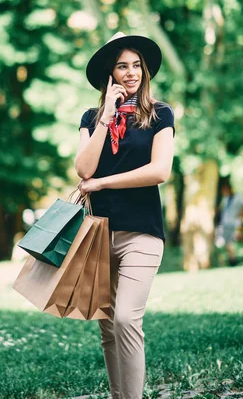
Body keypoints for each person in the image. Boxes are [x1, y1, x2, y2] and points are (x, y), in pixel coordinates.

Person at [75, 31, 175, 399]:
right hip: (99, 236)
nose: (131, 73)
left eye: (137, 65)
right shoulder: (91, 117)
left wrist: (103, 184)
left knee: (125, 318)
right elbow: (83, 169)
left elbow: (159, 171)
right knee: (107, 327)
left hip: (142, 234)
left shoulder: (160, 114)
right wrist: (105, 118)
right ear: (110, 74)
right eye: (122, 66)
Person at [217, 181, 243, 266]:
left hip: (233, 223)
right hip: (225, 223)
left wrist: (239, 215)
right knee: (227, 243)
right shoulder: (225, 199)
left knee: (230, 242)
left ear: (229, 189)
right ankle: (231, 259)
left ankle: (233, 260)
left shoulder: (238, 197)